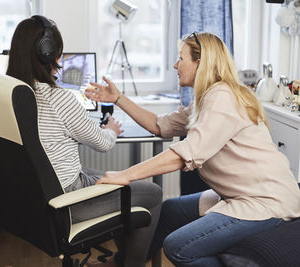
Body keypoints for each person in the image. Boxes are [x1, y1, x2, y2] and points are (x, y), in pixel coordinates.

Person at [85, 32, 300, 266]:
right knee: (167, 211)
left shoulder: (223, 97)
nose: (176, 65)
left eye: (181, 59)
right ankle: (125, 263)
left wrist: (124, 175)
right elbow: (160, 125)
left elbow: (185, 153)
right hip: (237, 194)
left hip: (265, 201)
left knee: (178, 246)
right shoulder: (205, 99)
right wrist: (118, 99)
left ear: (201, 63)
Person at [6, 16, 162, 267]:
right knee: (153, 193)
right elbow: (103, 144)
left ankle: (118, 262)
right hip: (67, 202)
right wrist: (111, 129)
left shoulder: (8, 96)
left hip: (35, 197)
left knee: (113, 176)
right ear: (49, 53)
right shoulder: (59, 99)